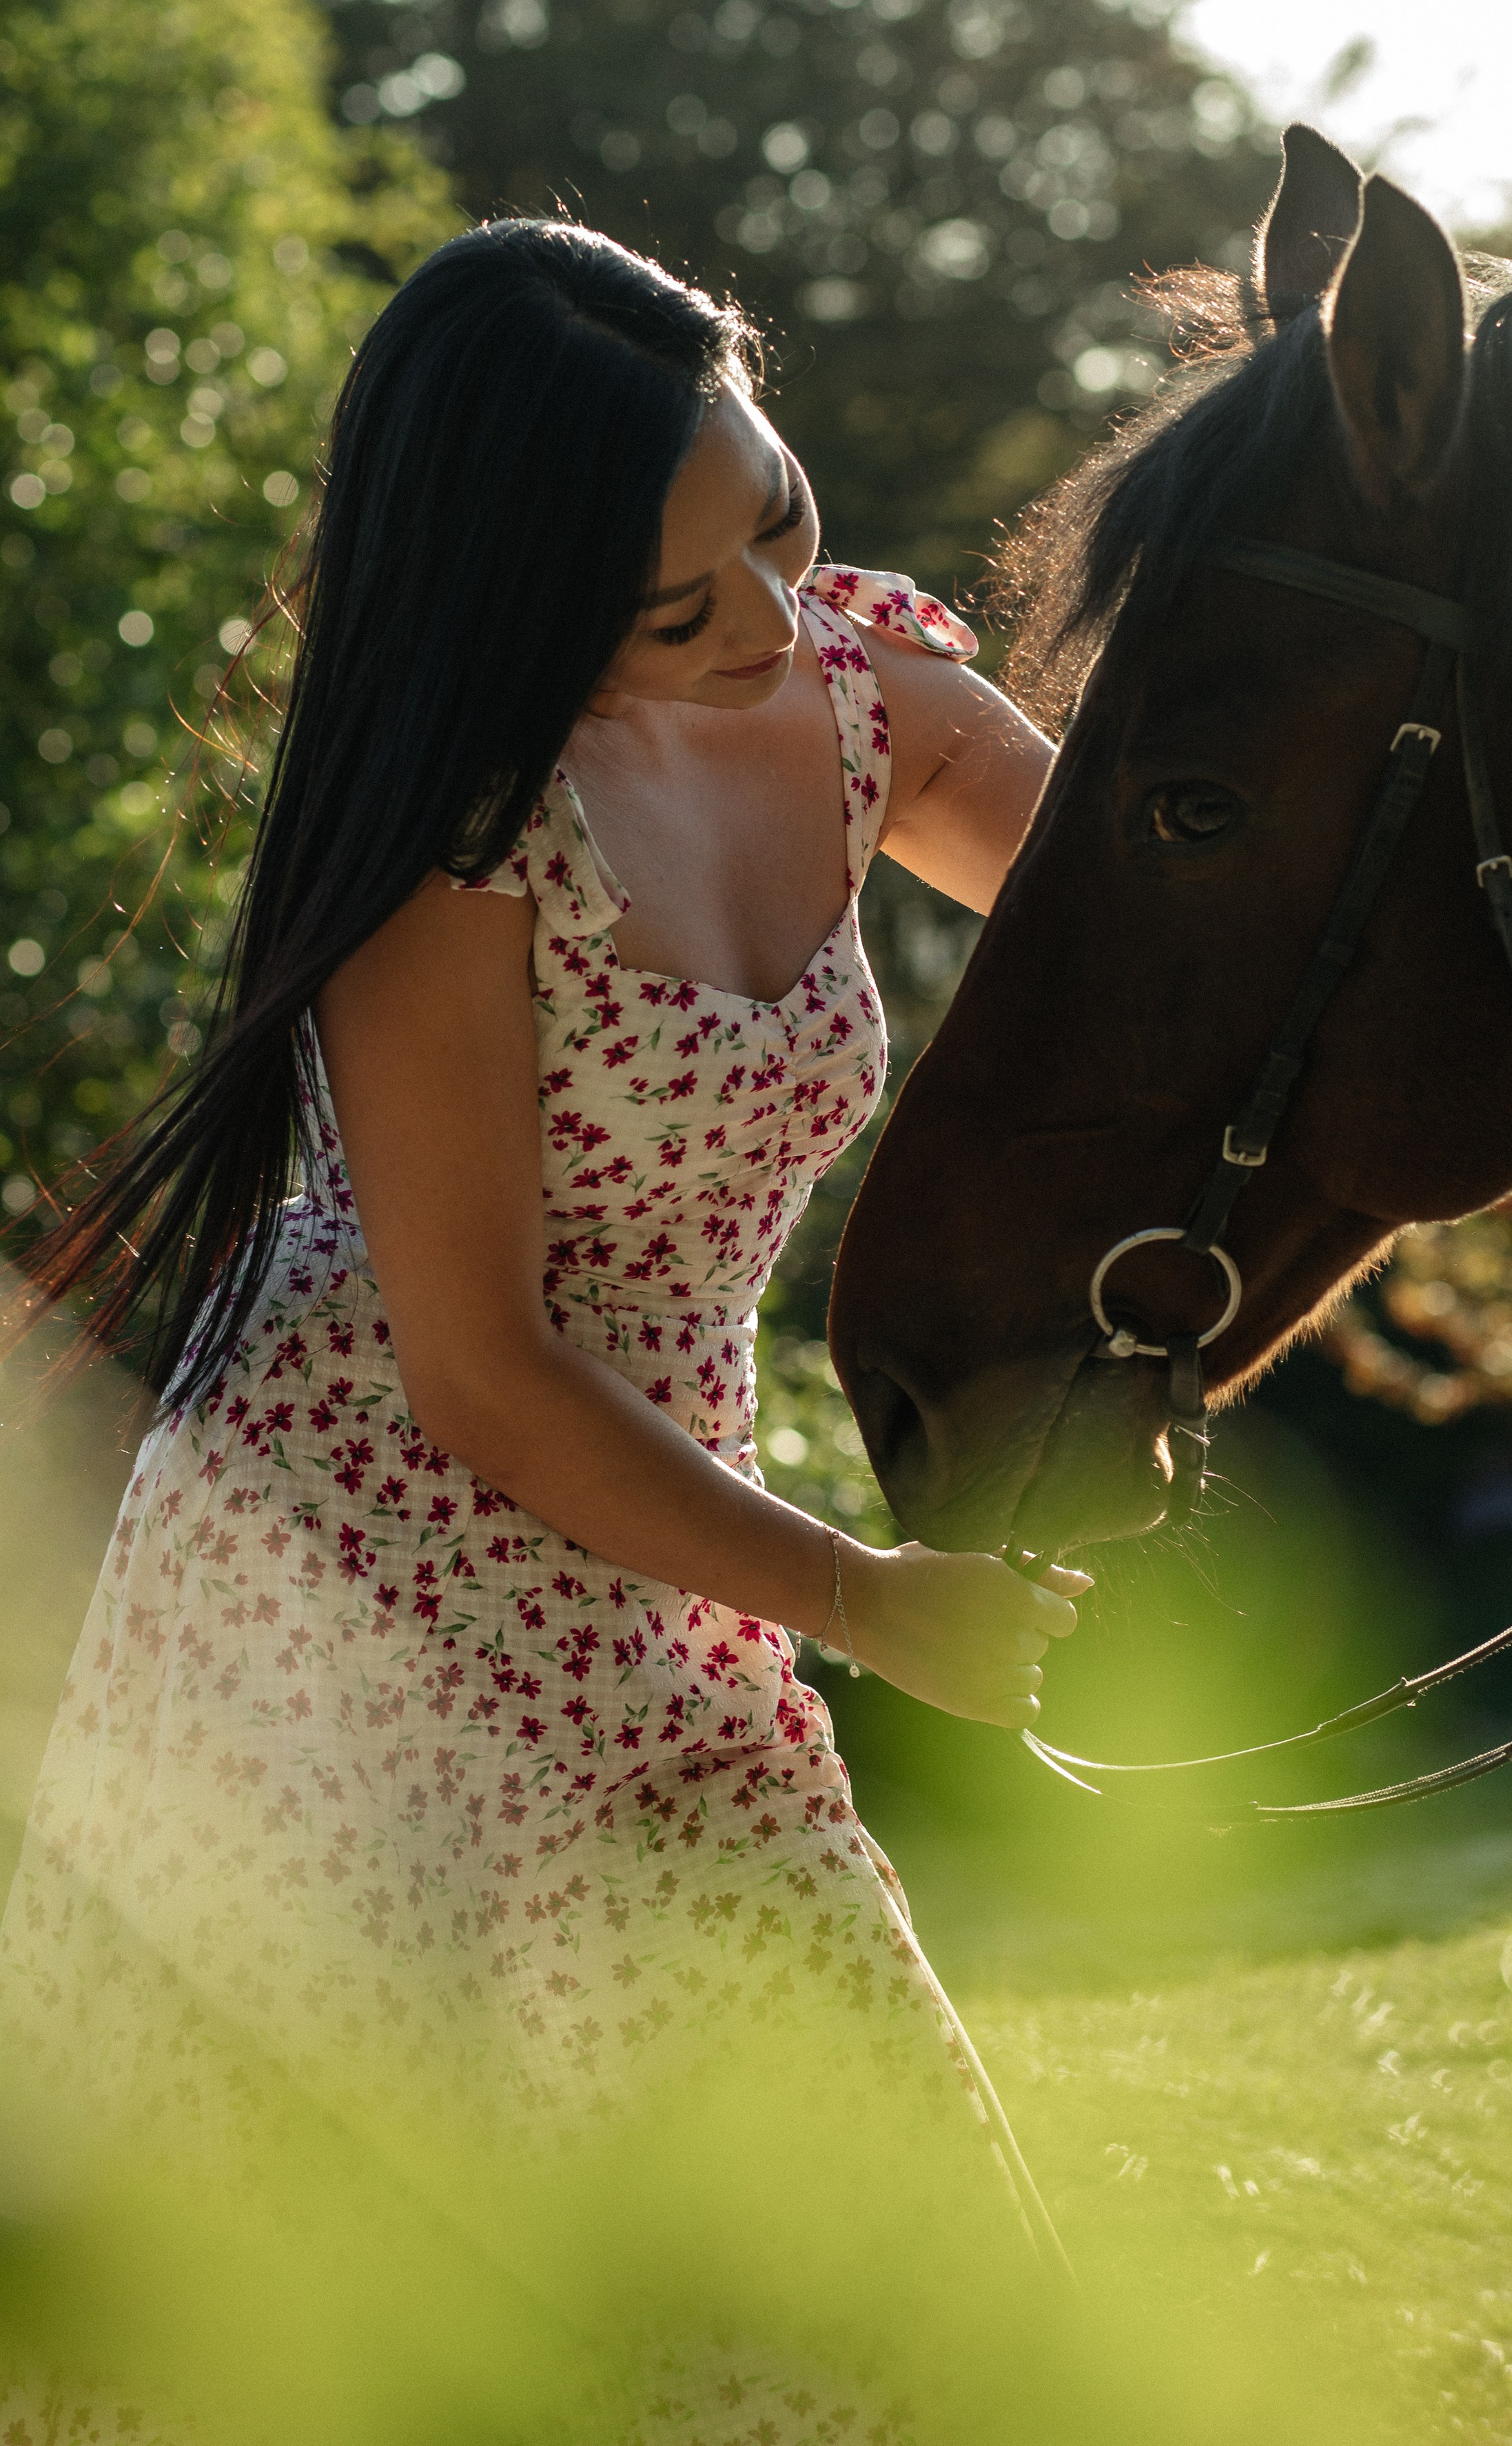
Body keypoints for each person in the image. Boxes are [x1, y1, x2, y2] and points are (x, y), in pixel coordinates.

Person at [0, 221, 1081, 2432]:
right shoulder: (465, 837)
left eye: (775, 521)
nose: (765, 618)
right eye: (678, 607)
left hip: (665, 1582)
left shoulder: (866, 688)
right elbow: (476, 1372)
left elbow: (1172, 943)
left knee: (909, 2291)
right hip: (344, 1610)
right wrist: (869, 1603)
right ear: (520, 600)